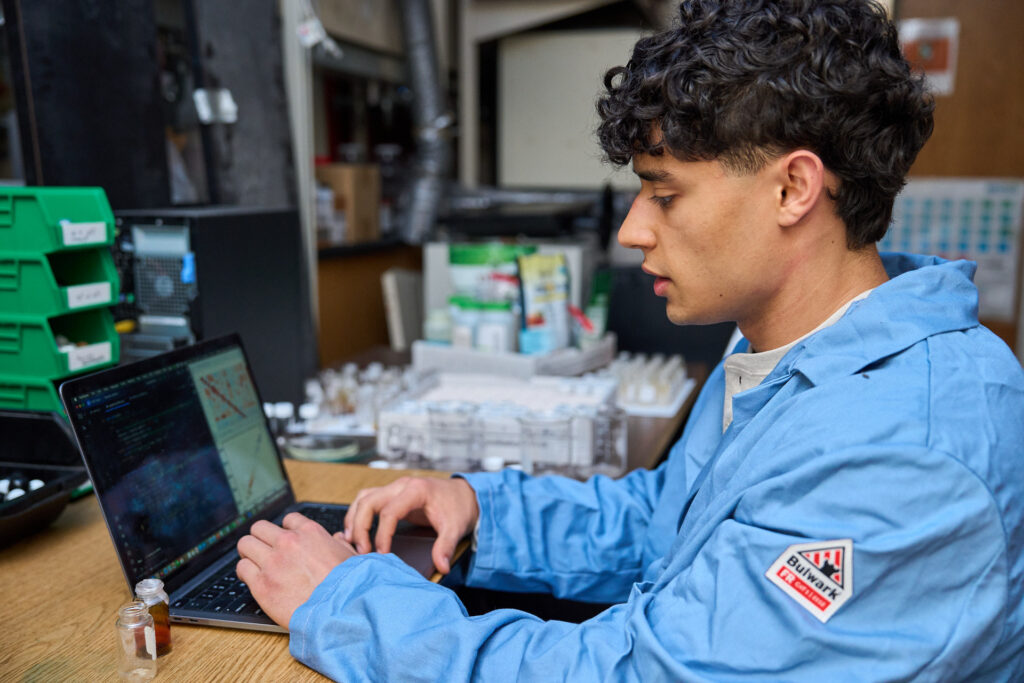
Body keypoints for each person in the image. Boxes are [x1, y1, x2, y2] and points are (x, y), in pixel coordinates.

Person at [236, 0, 1024, 679]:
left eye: (664, 193)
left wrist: (345, 604)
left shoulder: (903, 454)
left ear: (793, 188)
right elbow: (673, 520)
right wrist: (479, 507)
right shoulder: (796, 347)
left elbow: (645, 670)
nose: (633, 229)